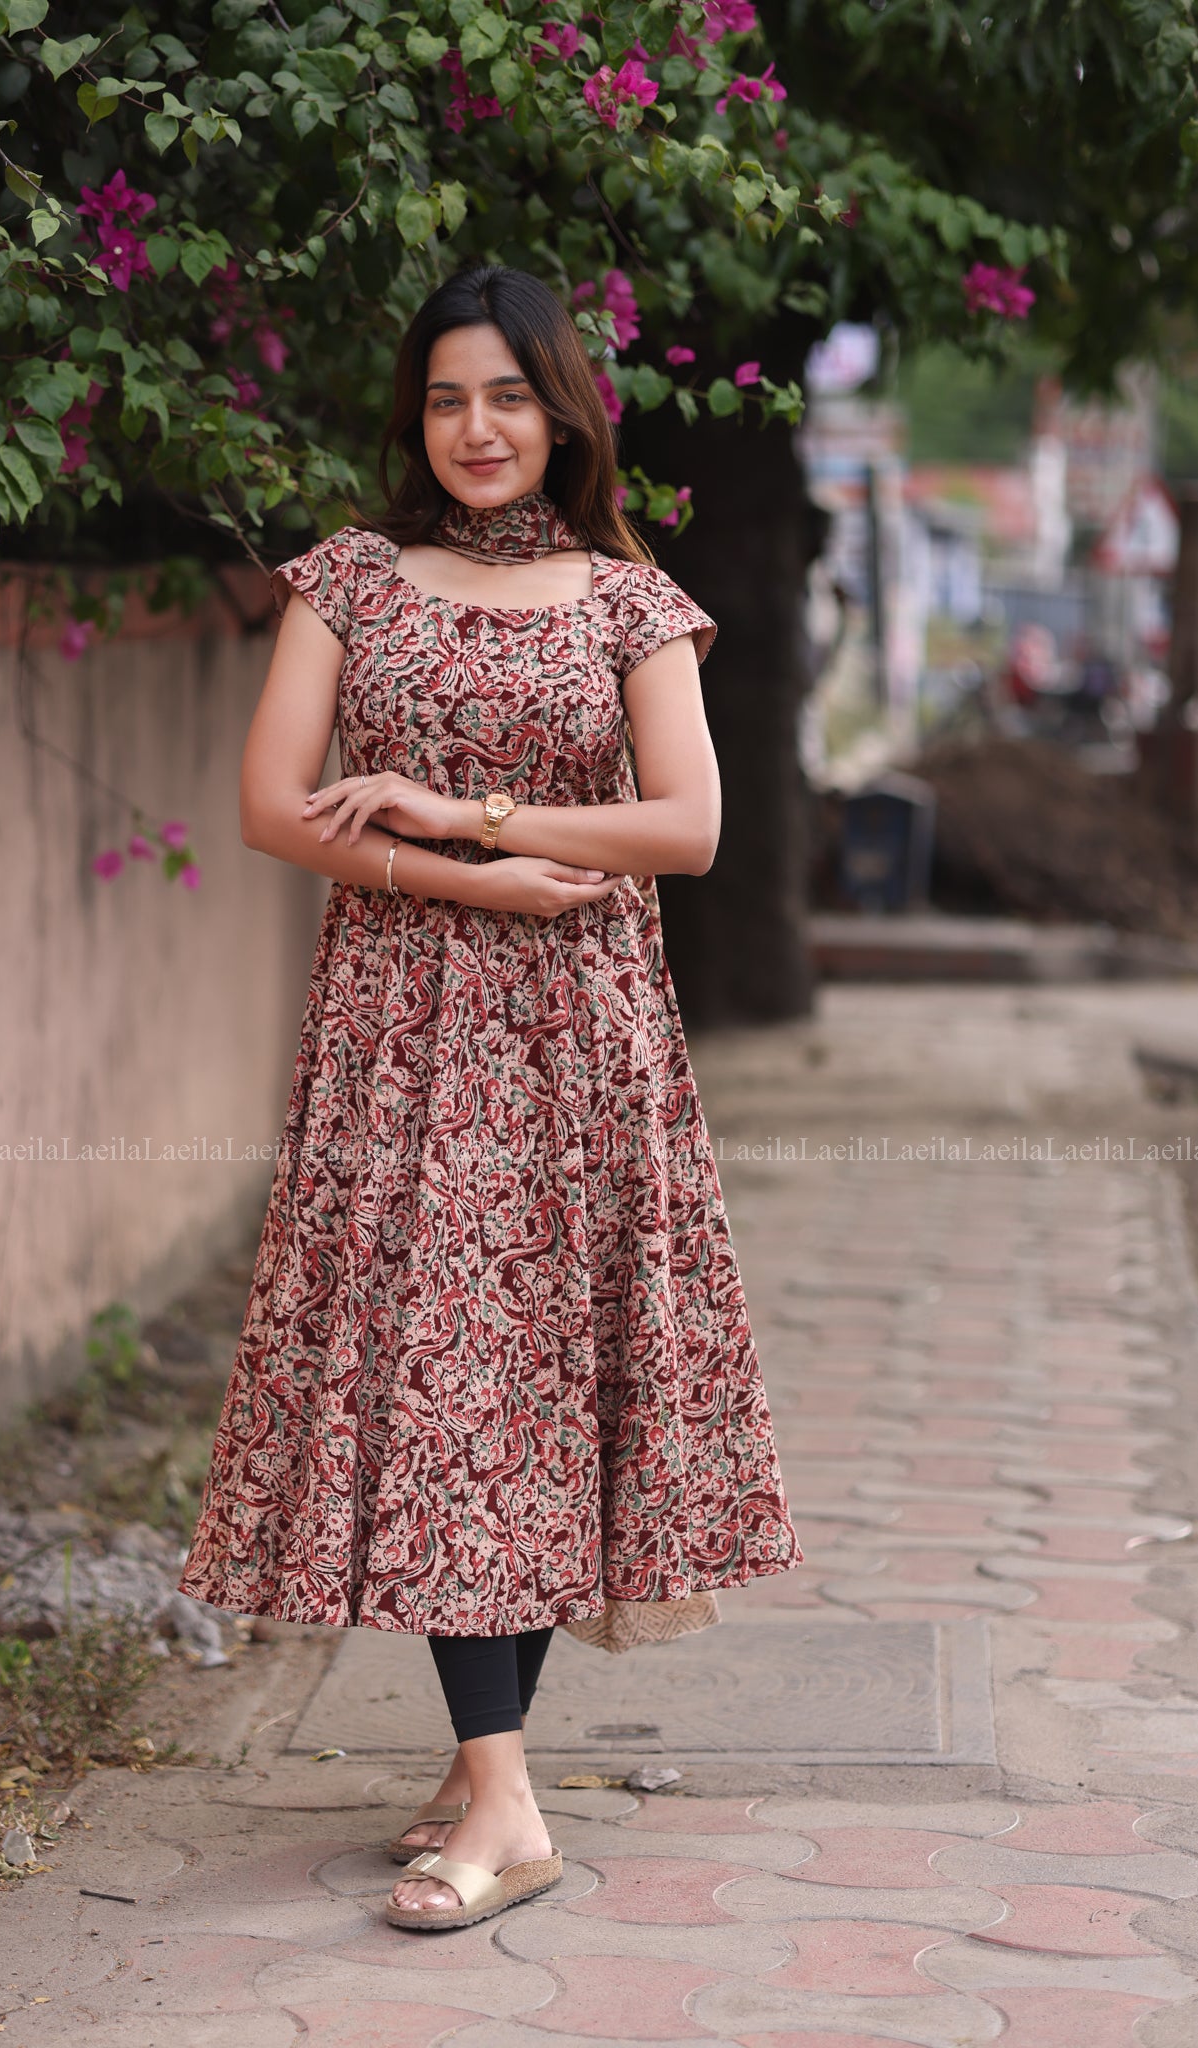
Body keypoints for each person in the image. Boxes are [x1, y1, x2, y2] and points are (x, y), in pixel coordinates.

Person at [178, 263, 801, 1932]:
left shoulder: (626, 602)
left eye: (507, 396)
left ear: (559, 412)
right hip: (399, 1035)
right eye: (447, 398)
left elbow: (686, 828)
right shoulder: (349, 583)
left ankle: (491, 1784)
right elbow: (267, 806)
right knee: (446, 1374)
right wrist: (473, 881)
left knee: (533, 1385)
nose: (476, 428)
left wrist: (470, 822)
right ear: (415, 415)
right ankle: (500, 1785)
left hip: (584, 1041)